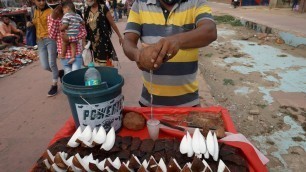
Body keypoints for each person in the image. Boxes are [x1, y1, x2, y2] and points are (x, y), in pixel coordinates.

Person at [123, 0, 217, 107]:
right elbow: (128, 41)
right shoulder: (140, 4)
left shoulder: (195, 2)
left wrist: (177, 40)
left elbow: (210, 31)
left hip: (188, 103)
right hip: (149, 103)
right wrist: (138, 56)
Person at [26, 0, 59, 97]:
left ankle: (54, 84)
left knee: (52, 63)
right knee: (45, 66)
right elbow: (34, 22)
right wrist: (30, 23)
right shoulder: (34, 10)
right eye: (38, 0)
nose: (41, 2)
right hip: (39, 41)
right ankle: (58, 73)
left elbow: (56, 25)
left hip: (50, 39)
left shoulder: (51, 11)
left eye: (43, 0)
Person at [47, 0, 87, 75]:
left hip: (76, 53)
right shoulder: (51, 17)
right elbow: (52, 36)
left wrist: (70, 39)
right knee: (69, 77)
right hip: (63, 55)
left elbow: (84, 33)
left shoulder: (75, 15)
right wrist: (54, 19)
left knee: (75, 75)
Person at [84, 0, 123, 67]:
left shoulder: (103, 8)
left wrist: (120, 36)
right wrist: (84, 42)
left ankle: (108, 75)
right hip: (93, 42)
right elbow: (85, 27)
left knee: (104, 61)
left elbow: (112, 24)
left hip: (103, 40)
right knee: (97, 62)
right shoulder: (87, 11)